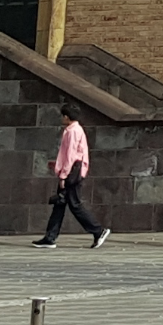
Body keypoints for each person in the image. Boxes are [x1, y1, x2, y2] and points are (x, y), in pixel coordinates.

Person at [34, 103, 110, 249]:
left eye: (63, 116)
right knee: (60, 203)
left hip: (72, 172)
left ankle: (98, 230)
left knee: (74, 204)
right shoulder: (74, 130)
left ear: (66, 117)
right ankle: (50, 237)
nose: (62, 118)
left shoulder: (73, 131)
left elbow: (71, 155)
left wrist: (63, 175)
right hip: (73, 170)